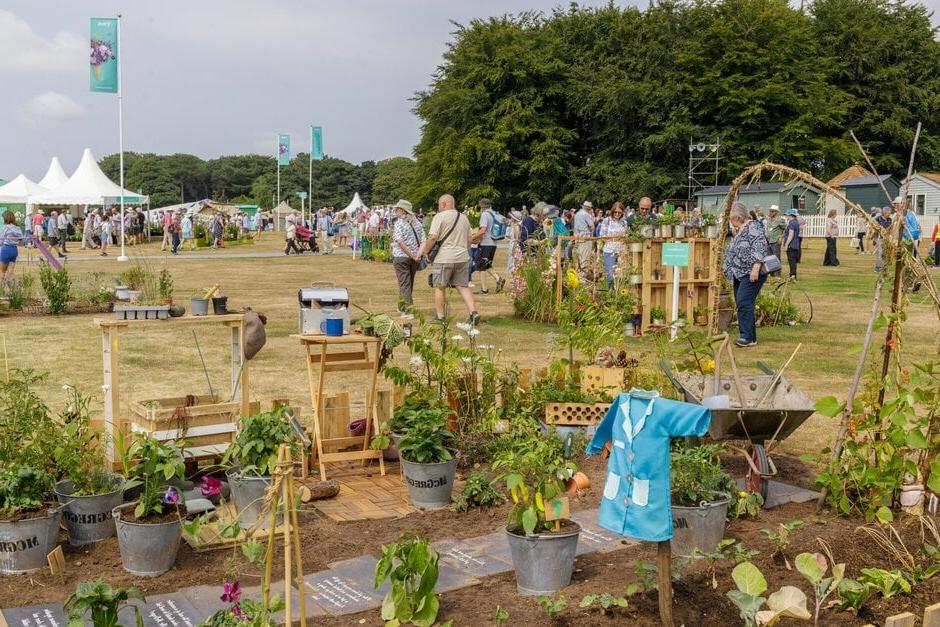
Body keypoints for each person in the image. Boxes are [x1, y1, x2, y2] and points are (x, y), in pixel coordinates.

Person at [416, 194, 479, 325]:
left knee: (440, 287)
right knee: (463, 286)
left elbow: (433, 237)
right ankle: (473, 312)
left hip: (444, 258)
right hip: (462, 257)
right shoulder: (464, 218)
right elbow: (469, 239)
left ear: (444, 204)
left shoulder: (440, 217)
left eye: (439, 205)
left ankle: (440, 317)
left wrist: (426, 252)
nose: (438, 208)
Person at [723, 202, 768, 348]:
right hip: (739, 273)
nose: (730, 222)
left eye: (732, 219)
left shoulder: (753, 227)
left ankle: (746, 337)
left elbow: (760, 247)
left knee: (744, 302)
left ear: (738, 217)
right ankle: (751, 337)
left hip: (750, 273)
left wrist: (755, 268)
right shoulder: (741, 229)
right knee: (742, 302)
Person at [391, 199, 424, 312]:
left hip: (401, 257)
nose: (395, 211)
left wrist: (412, 255)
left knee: (405, 284)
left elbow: (400, 242)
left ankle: (408, 309)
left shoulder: (399, 223)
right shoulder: (418, 223)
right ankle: (401, 306)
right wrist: (417, 255)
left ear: (402, 210)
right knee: (408, 283)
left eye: (397, 209)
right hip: (414, 258)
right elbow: (424, 241)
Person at [470, 198, 505, 294]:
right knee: (487, 264)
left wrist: (471, 238)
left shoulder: (485, 215)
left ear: (482, 206)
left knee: (481, 266)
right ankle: (498, 279)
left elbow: (483, 230)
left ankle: (484, 290)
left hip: (485, 243)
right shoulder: (494, 214)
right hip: (493, 243)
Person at [598, 202, 628, 288]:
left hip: (621, 251)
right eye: (615, 212)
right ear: (612, 211)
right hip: (609, 251)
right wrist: (613, 237)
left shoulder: (624, 222)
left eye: (619, 212)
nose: (617, 214)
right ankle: (610, 294)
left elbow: (626, 236)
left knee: (621, 276)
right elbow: (602, 235)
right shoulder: (607, 221)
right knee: (610, 276)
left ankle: (619, 295)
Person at [1, 211, 23, 288]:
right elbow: (21, 239)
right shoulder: (17, 228)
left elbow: (1, 240)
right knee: (10, 271)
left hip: (6, 249)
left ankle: (1, 287)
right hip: (14, 250)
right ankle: (9, 286)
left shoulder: (5, 228)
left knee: (2, 271)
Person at [573, 201, 595, 273]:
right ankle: (583, 277)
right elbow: (592, 226)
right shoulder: (586, 215)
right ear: (589, 208)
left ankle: (578, 274)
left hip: (577, 237)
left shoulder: (577, 214)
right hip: (585, 238)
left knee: (578, 257)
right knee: (585, 258)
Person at [764, 205, 786, 277]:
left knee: (776, 258)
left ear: (776, 212)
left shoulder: (780, 220)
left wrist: (781, 237)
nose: (770, 212)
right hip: (768, 241)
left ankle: (777, 275)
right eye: (770, 211)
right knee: (769, 258)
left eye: (772, 211)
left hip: (775, 241)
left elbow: (786, 229)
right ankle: (771, 274)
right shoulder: (768, 219)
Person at [782, 209, 801, 279]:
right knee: (793, 261)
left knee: (791, 260)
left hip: (791, 244)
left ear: (790, 215)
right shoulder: (796, 222)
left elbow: (791, 235)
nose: (786, 216)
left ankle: (792, 275)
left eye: (786, 215)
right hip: (795, 243)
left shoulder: (791, 223)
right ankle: (793, 275)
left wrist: (786, 245)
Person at [874, 206, 892, 273]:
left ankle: (884, 267)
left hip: (887, 238)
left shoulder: (890, 219)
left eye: (890, 213)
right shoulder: (878, 219)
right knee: (879, 253)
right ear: (884, 212)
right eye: (888, 213)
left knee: (885, 253)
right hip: (879, 238)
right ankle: (878, 267)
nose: (889, 214)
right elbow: (873, 226)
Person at [506, 207, 524, 273]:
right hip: (512, 243)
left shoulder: (516, 226)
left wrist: (514, 247)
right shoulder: (516, 225)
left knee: (513, 258)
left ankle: (513, 270)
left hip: (514, 244)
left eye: (512, 217)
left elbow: (517, 238)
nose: (511, 218)